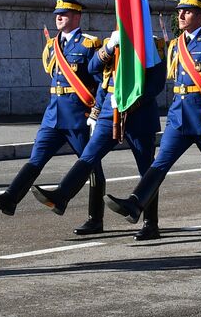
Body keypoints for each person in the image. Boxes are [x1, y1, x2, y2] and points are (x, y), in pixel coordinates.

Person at [107, 0, 201, 246]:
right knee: (159, 164)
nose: (182, 15)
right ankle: (135, 204)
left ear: (200, 15)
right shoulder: (175, 46)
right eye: (180, 11)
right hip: (178, 118)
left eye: (187, 11)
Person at [30, 28, 166, 239]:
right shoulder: (113, 41)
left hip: (138, 116)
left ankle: (150, 222)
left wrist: (130, 102)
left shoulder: (151, 44)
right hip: (108, 112)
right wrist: (110, 47)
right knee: (89, 156)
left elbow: (156, 83)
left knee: (146, 169)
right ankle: (62, 195)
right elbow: (95, 69)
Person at [0, 0, 102, 218]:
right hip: (54, 115)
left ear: (77, 16)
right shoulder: (52, 46)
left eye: (64, 14)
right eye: (57, 14)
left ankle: (95, 218)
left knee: (91, 166)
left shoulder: (89, 45)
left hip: (79, 116)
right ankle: (11, 198)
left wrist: (97, 112)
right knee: (36, 159)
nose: (59, 17)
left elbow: (101, 82)